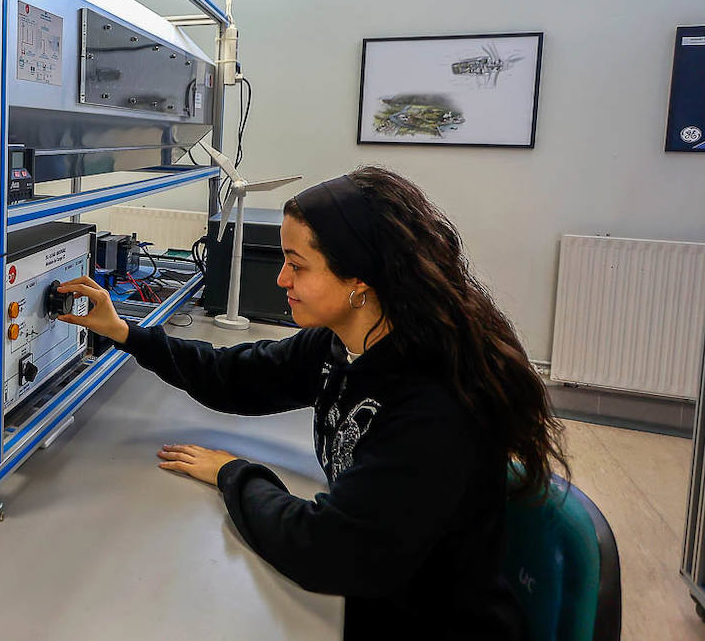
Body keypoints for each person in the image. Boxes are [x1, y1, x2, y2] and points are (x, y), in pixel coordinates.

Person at [57, 166, 563, 640]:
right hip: (378, 595)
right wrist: (124, 331)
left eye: (297, 265)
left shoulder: (432, 403)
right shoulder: (342, 344)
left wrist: (235, 473)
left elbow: (327, 552)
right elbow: (234, 377)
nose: (281, 279)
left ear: (361, 280)